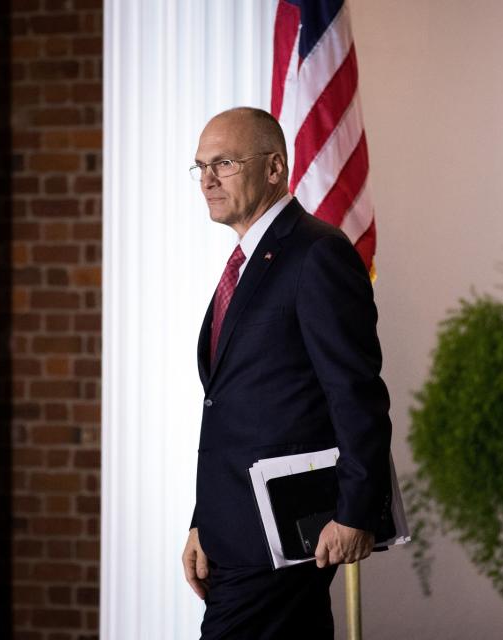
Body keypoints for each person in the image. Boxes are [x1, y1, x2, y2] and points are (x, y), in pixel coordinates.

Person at [181, 107, 392, 639]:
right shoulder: (247, 264)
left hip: (287, 536)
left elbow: (356, 392)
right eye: (201, 166)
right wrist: (202, 520)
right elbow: (233, 409)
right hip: (234, 535)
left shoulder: (317, 253)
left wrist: (356, 512)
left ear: (275, 168)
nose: (206, 179)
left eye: (223, 163)